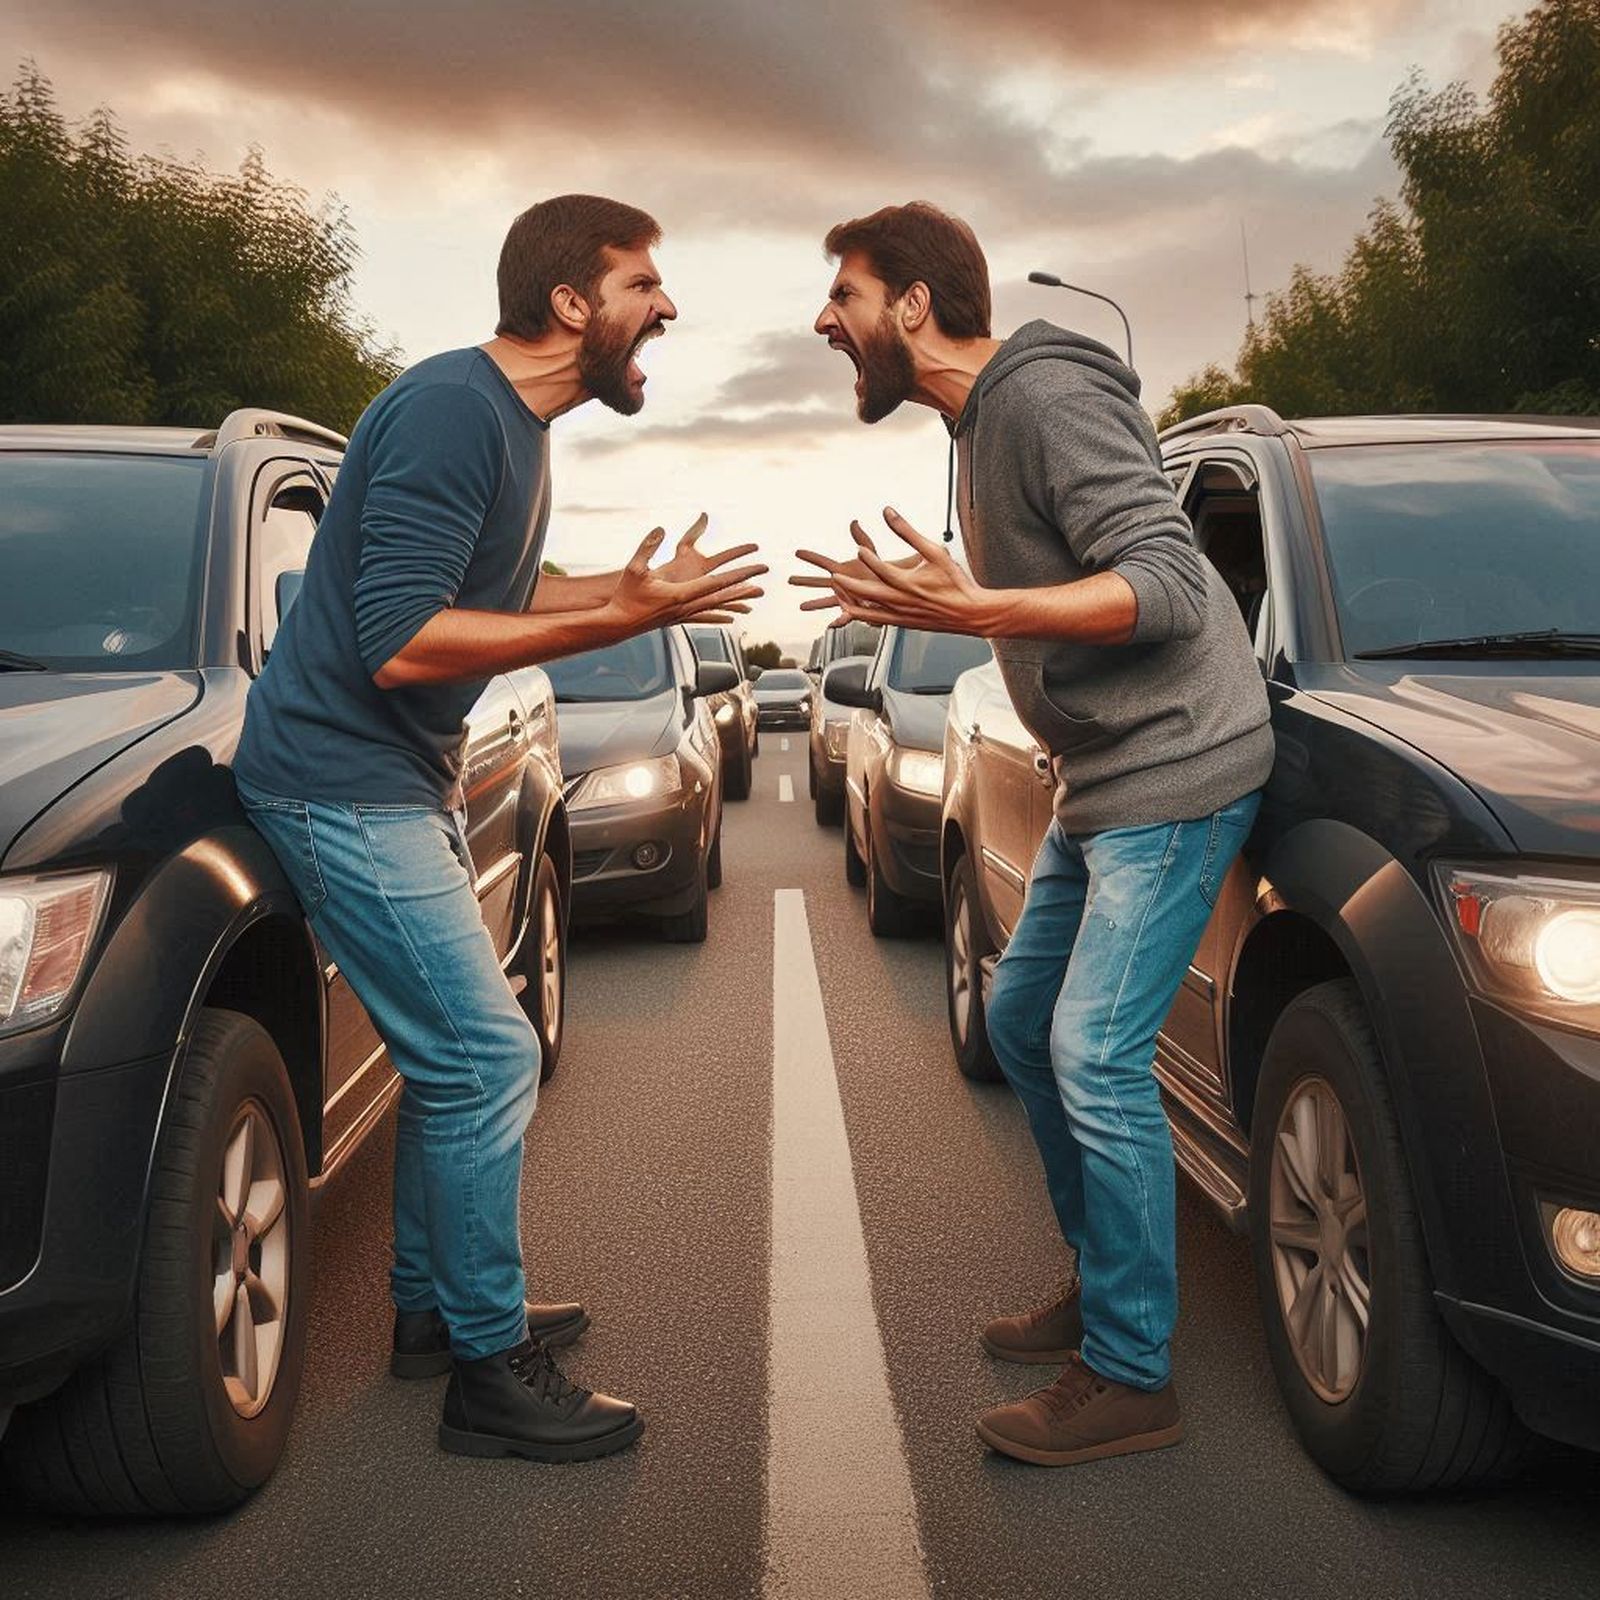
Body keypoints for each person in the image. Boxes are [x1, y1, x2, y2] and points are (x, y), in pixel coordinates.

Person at [233, 194, 765, 1464]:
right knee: (486, 1054)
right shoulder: (449, 411)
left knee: (458, 1052)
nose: (667, 307)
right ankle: (487, 1369)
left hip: (388, 777)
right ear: (571, 303)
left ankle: (432, 1311)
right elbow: (404, 638)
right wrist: (607, 625)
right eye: (645, 283)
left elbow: (505, 592)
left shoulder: (516, 432)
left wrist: (625, 596)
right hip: (337, 777)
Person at [794, 201, 1273, 1467]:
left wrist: (984, 603)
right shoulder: (975, 421)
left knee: (1094, 1049)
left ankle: (1130, 1373)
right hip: (1102, 774)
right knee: (1019, 1025)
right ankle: (1104, 1271)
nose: (825, 321)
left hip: (1177, 764)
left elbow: (1171, 585)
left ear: (911, 304)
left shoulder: (1044, 397)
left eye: (842, 294)